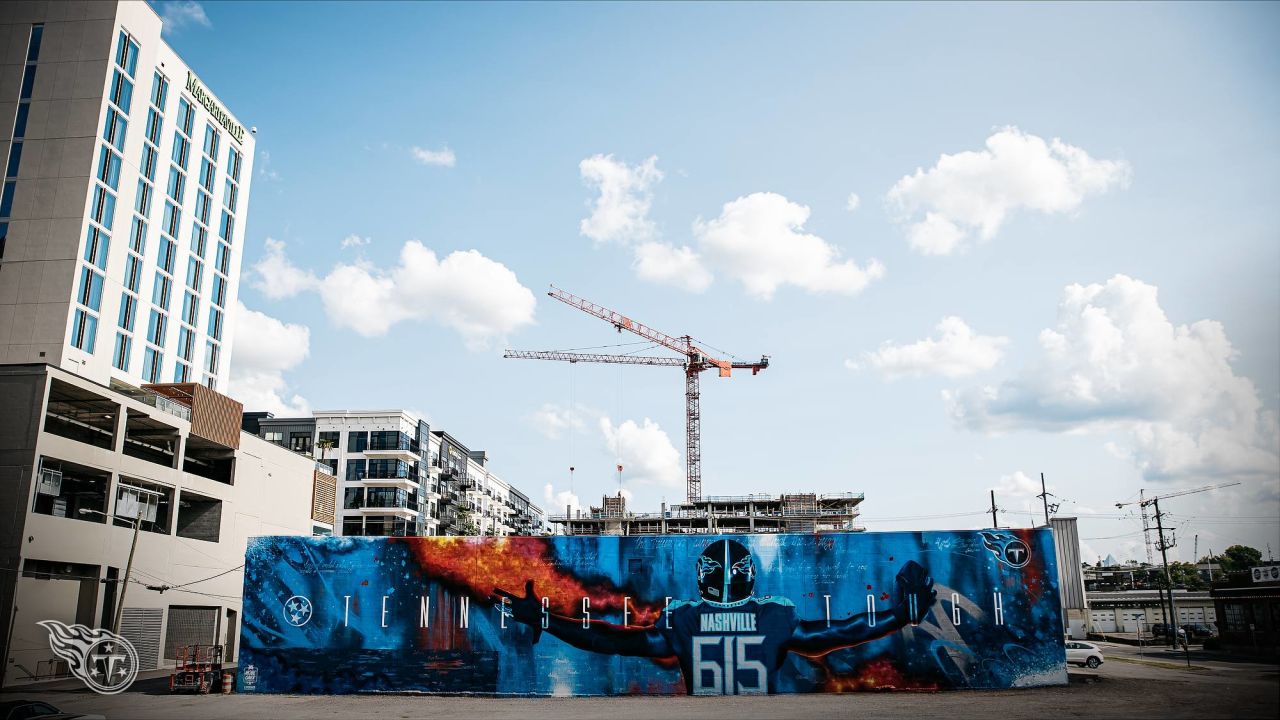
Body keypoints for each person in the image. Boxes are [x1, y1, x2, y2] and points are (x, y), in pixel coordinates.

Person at [495, 538, 937, 694]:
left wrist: (547, 620)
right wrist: (897, 617)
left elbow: (613, 640)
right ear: (751, 577)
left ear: (702, 577)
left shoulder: (681, 619)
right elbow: (838, 632)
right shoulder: (775, 617)